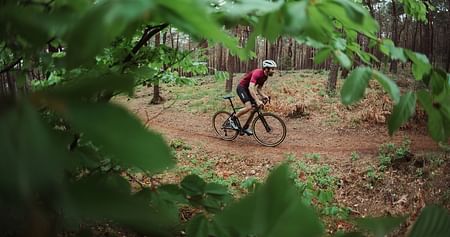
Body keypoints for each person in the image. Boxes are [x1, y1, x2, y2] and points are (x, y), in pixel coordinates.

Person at [229, 59, 277, 135]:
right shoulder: (257, 73)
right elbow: (251, 88)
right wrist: (257, 100)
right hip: (242, 88)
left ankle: (245, 127)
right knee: (248, 107)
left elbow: (258, 89)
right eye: (272, 69)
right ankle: (232, 119)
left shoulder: (265, 77)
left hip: (248, 89)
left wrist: (264, 96)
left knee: (254, 109)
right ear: (266, 69)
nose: (274, 71)